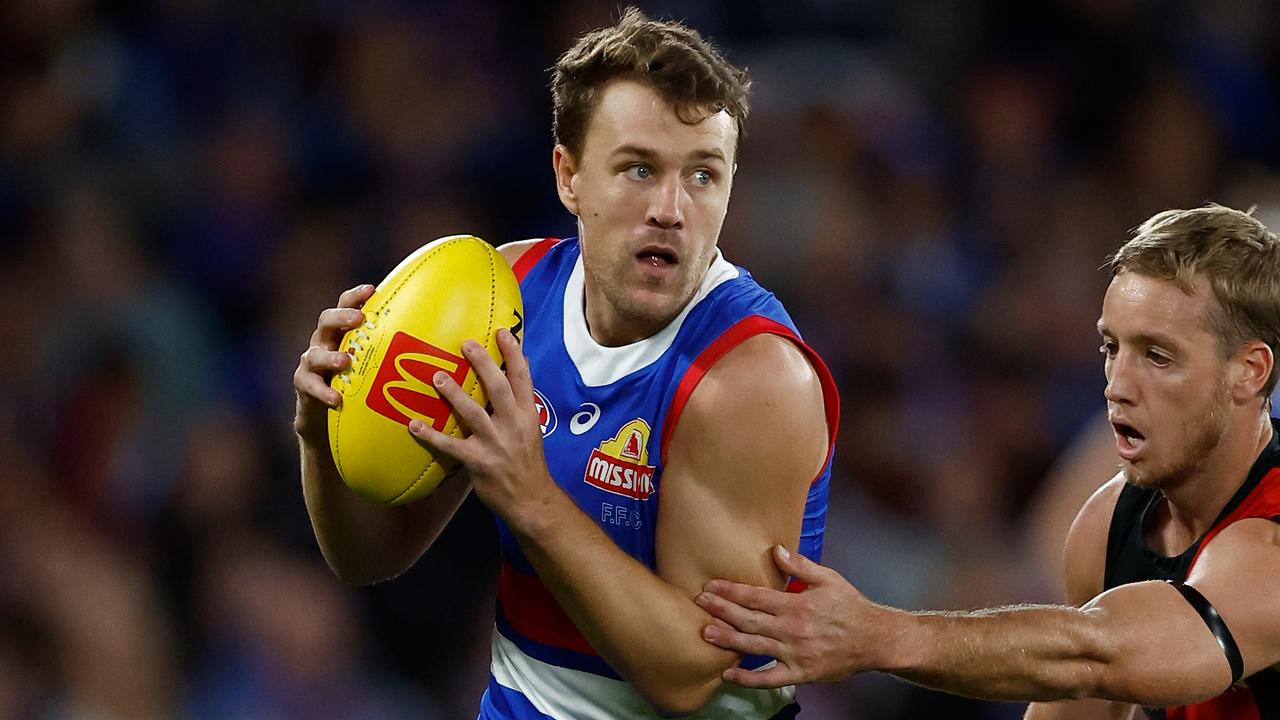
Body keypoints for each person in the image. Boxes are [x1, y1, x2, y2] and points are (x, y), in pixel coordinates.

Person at [292, 8, 839, 719]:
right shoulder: (503, 300)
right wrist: (320, 435)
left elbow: (687, 676)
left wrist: (534, 503)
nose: (671, 209)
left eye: (703, 175)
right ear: (569, 176)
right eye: (639, 168)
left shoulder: (751, 378)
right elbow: (365, 560)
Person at [697, 204, 1280, 719]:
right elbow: (1082, 698)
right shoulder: (1109, 525)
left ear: (1249, 371)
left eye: (1157, 356)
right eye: (1110, 347)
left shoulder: (1270, 547)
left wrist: (876, 636)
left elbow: (1100, 654)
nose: (1116, 385)